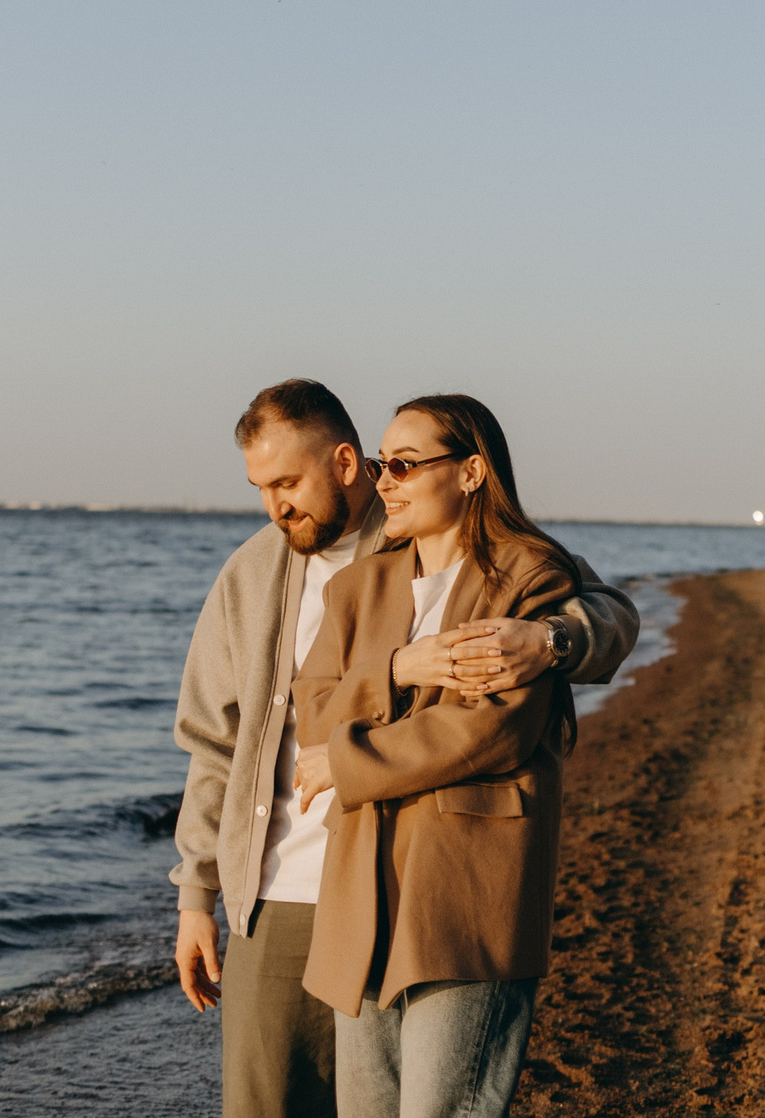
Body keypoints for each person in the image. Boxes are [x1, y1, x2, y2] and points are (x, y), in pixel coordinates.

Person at [171, 381, 639, 1118]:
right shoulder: (268, 574)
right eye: (261, 487)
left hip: (433, 886)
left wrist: (550, 640)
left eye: (288, 482)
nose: (274, 505)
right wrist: (197, 891)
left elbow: (600, 615)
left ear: (346, 462)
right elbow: (225, 736)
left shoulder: (482, 555)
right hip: (287, 892)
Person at [291, 394, 579, 1118]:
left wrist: (345, 765)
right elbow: (313, 713)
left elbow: (487, 731)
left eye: (406, 464)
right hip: (361, 898)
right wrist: (398, 668)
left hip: (466, 897)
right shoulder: (356, 587)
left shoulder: (530, 576)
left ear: (473, 471)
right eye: (384, 463)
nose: (383, 480)